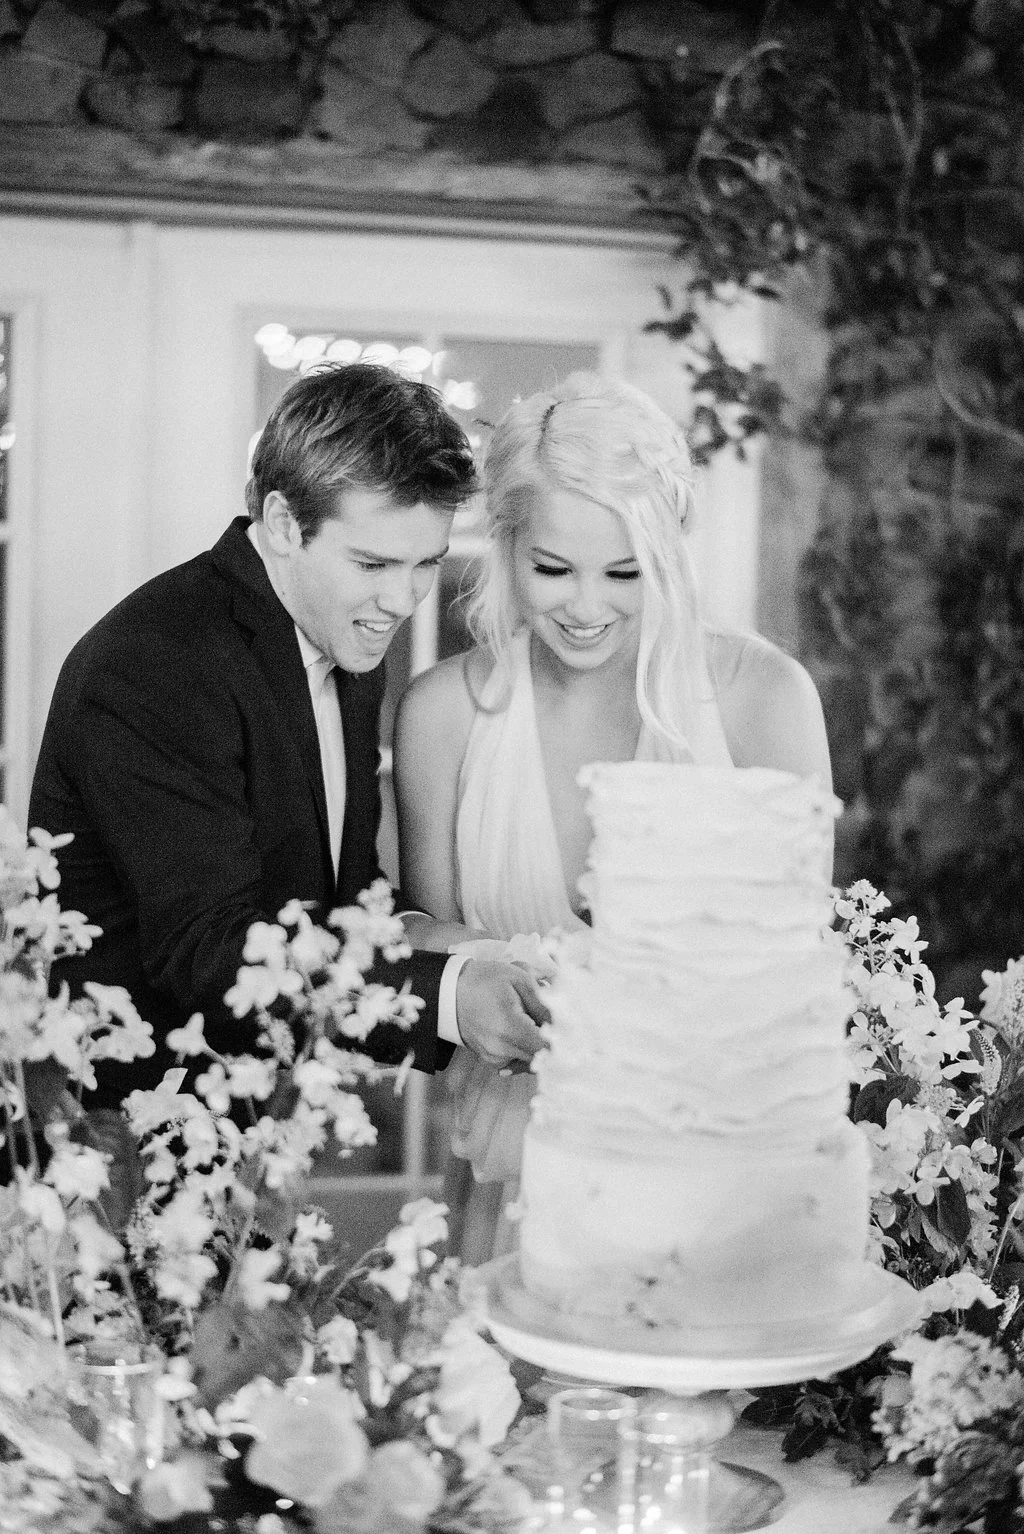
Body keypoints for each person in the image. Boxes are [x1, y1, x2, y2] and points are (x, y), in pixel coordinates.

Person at [393, 372, 833, 1263]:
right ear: (506, 544)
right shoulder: (442, 714)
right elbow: (415, 932)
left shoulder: (763, 699)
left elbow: (803, 958)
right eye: (553, 569)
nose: (587, 607)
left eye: (624, 572)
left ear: (667, 552)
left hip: (718, 1185)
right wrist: (496, 974)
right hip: (519, 1169)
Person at [28, 362, 548, 1110]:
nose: (401, 600)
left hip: (249, 1117)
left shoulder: (341, 640)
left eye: (425, 564)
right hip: (112, 1126)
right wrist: (448, 997)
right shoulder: (157, 664)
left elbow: (330, 899)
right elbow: (210, 953)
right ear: (281, 523)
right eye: (372, 563)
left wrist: (446, 944)